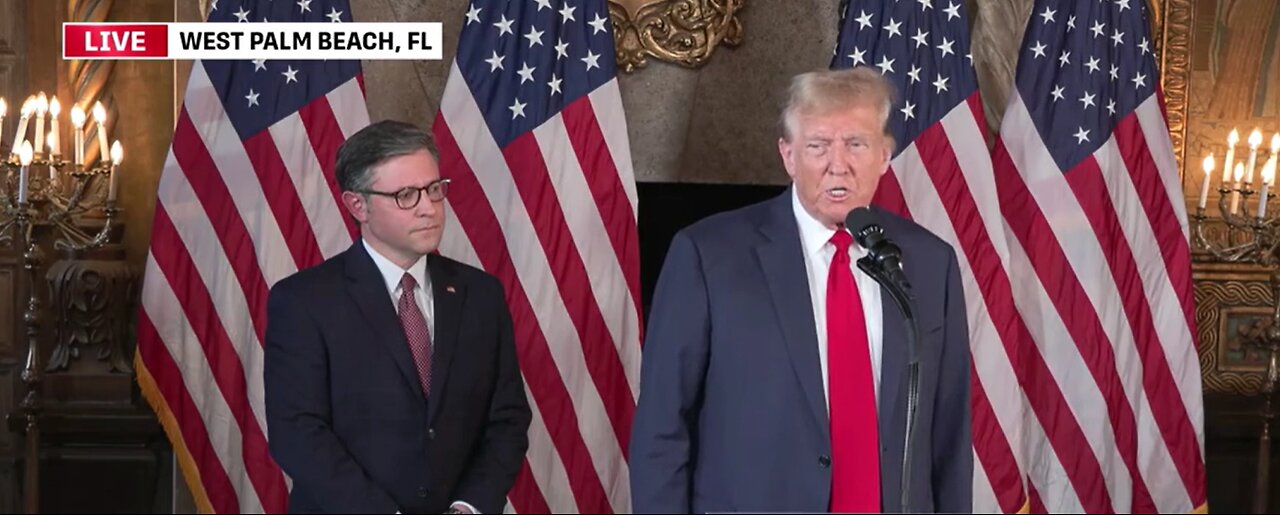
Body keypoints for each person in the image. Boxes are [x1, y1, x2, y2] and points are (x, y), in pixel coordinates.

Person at [630, 68, 972, 513]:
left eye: (856, 144)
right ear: (788, 156)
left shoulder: (929, 263)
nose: (838, 163)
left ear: (884, 156)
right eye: (818, 146)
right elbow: (662, 428)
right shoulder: (708, 256)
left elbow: (949, 434)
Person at [265, 120, 531, 514]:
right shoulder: (303, 302)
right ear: (358, 205)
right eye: (406, 195)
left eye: (435, 189)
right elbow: (298, 434)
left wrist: (468, 507)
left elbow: (507, 419)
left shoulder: (481, 295)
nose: (428, 208)